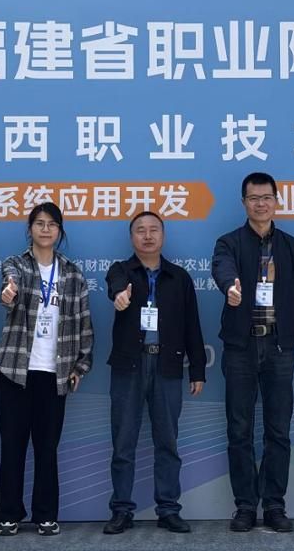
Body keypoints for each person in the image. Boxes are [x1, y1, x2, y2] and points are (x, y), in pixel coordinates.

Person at [211, 171, 294, 533]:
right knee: (239, 430)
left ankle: (274, 505)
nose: (261, 204)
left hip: (280, 346)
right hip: (241, 346)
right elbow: (222, 268)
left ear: (276, 201)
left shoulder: (292, 247)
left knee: (278, 431)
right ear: (244, 203)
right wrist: (230, 287)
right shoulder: (229, 243)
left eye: (267, 197)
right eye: (254, 198)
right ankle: (244, 505)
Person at [103, 211, 207, 535]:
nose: (147, 236)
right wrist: (120, 296)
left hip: (167, 366)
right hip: (129, 367)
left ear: (163, 235)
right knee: (123, 442)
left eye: (153, 230)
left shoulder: (179, 278)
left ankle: (168, 509)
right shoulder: (121, 271)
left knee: (168, 442)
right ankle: (121, 510)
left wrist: (197, 370)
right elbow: (115, 286)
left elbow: (192, 326)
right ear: (131, 237)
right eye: (140, 230)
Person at [0, 202, 94, 537]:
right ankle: (8, 514)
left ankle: (46, 515)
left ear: (60, 231)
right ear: (30, 229)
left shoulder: (73, 274)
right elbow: (9, 289)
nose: (46, 229)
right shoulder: (16, 264)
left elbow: (84, 322)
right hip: (14, 370)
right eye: (39, 223)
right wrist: (9, 293)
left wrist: (81, 365)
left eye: (52, 224)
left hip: (56, 373)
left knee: (47, 448)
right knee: (12, 446)